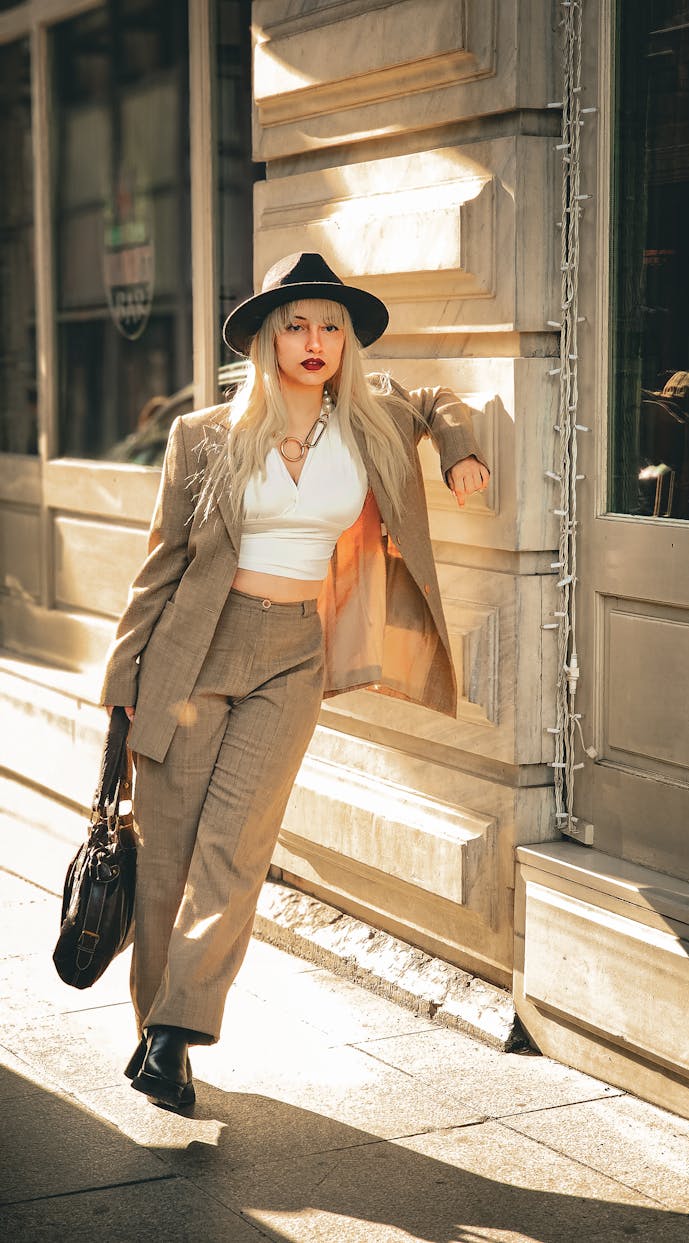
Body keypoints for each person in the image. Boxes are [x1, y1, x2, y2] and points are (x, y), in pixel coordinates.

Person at [101, 252, 490, 1110]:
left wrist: (461, 453)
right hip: (192, 655)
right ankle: (159, 1034)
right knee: (167, 856)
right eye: (296, 324)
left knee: (236, 849)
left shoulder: (365, 421)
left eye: (330, 326)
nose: (315, 341)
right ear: (267, 338)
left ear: (346, 340)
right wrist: (122, 684)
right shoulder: (204, 436)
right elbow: (159, 568)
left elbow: (438, 401)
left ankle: (176, 1032)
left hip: (292, 654)